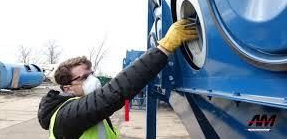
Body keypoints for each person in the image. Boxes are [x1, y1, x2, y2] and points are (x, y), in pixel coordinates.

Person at [37, 19, 197, 139]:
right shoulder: (65, 116)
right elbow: (113, 93)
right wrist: (163, 49)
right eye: (84, 77)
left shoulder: (83, 109)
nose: (92, 79)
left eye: (92, 74)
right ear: (67, 88)